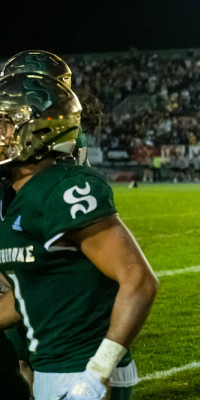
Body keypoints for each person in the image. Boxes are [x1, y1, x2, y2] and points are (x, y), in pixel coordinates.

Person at [0, 73, 157, 400]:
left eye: (4, 126)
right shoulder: (20, 198)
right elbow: (32, 293)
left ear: (38, 131)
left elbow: (139, 281)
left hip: (78, 373)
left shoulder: (63, 189)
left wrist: (97, 373)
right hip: (50, 370)